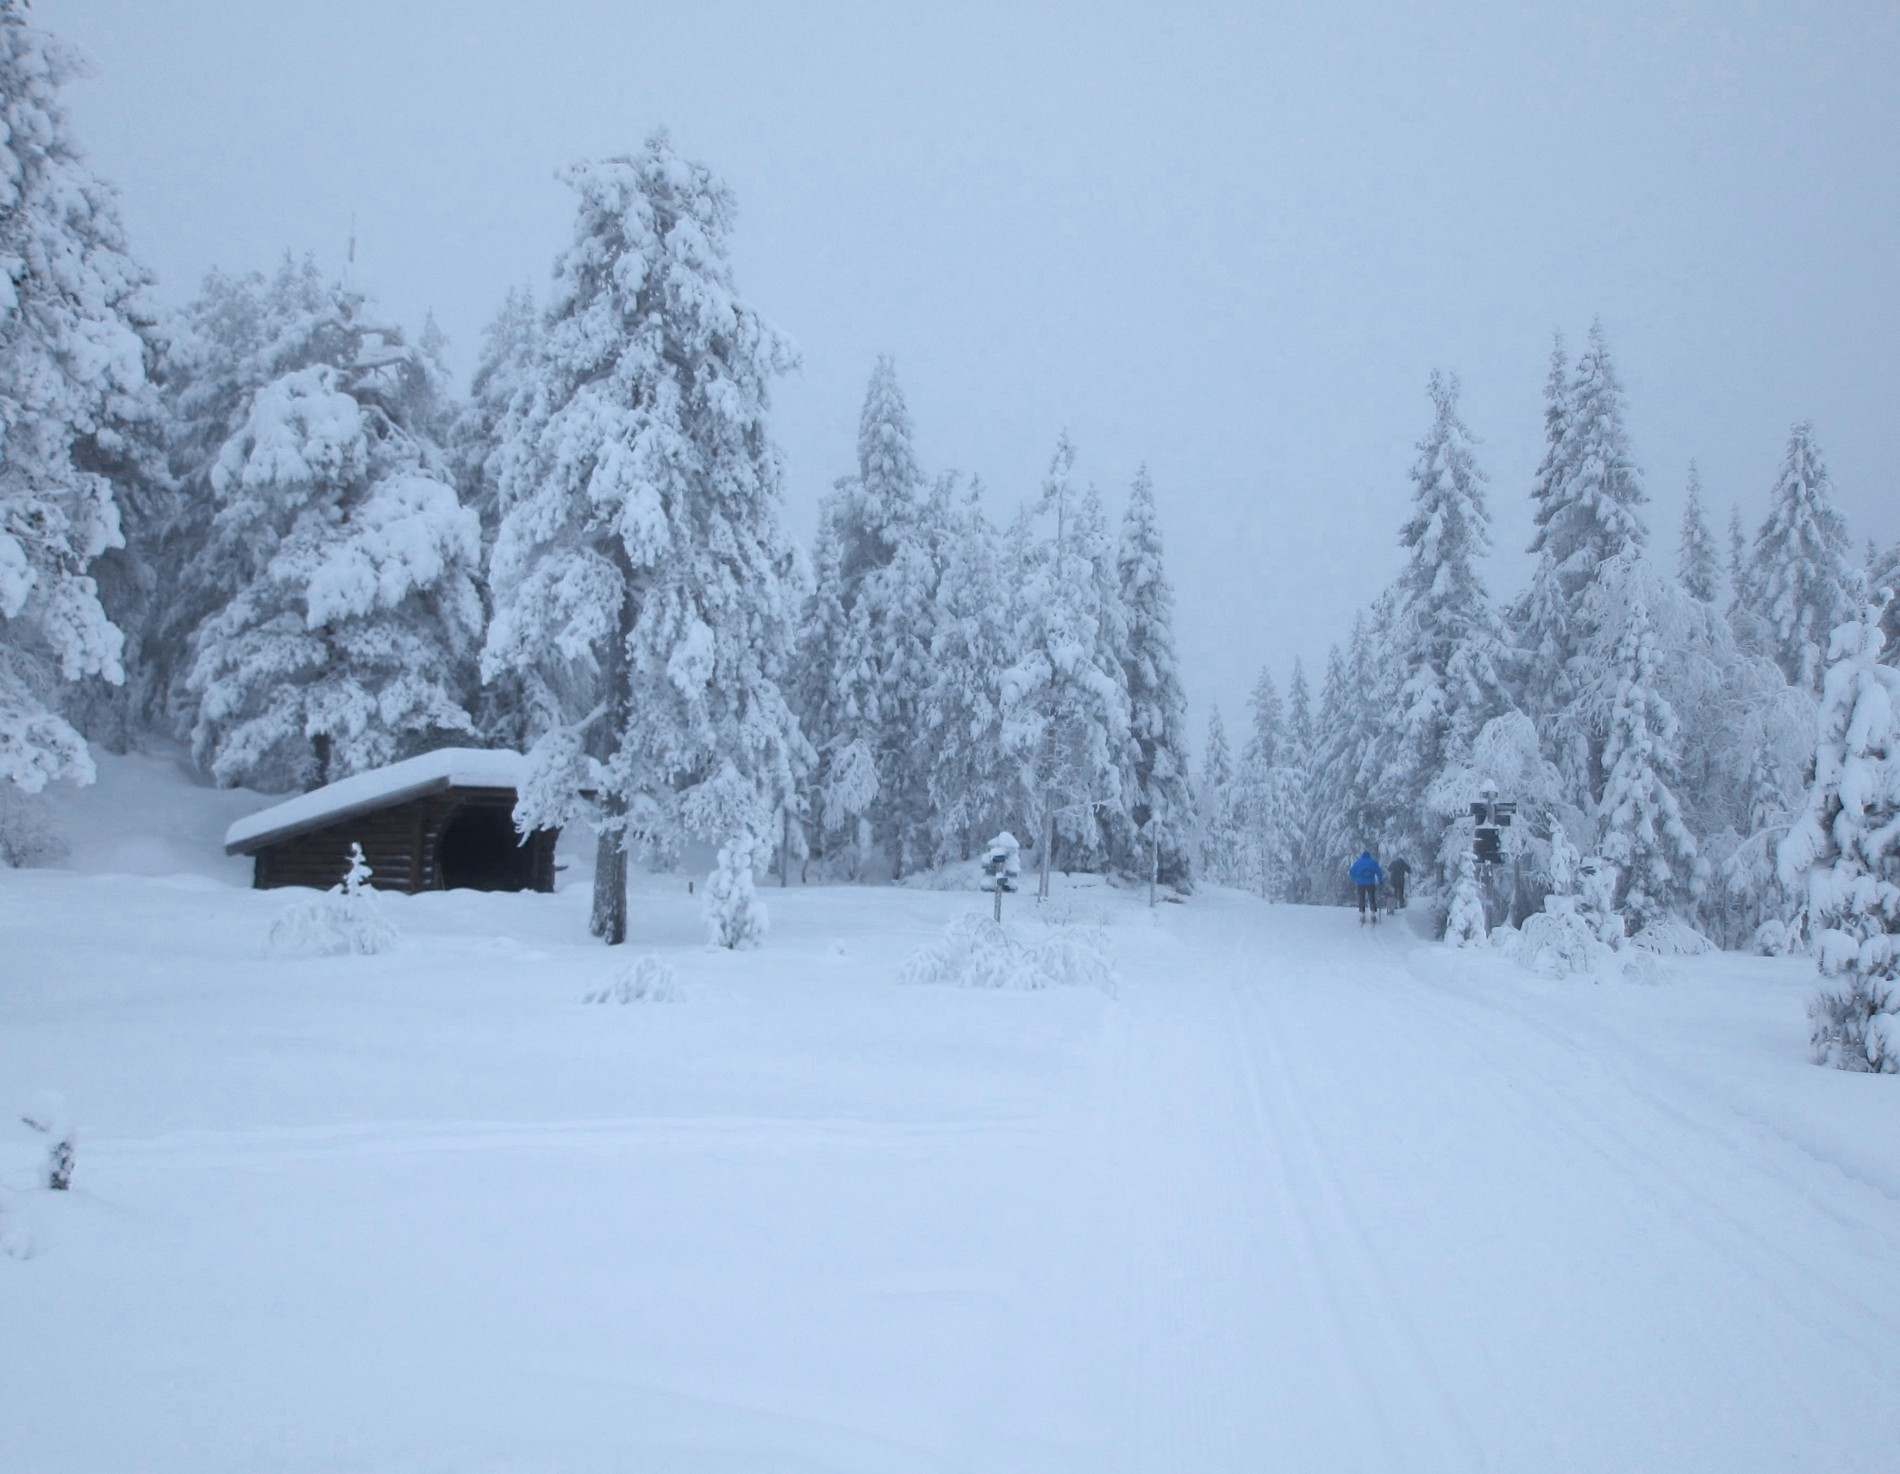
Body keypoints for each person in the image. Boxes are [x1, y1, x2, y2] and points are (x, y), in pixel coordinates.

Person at [1348, 849, 1384, 924]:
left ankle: (1362, 915)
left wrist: (1356, 879)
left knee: (1361, 898)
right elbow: (1379, 872)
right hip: (1371, 883)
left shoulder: (1358, 862)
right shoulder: (1373, 862)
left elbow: (1351, 872)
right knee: (1371, 898)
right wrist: (1381, 881)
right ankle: (1373, 915)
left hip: (1360, 884)